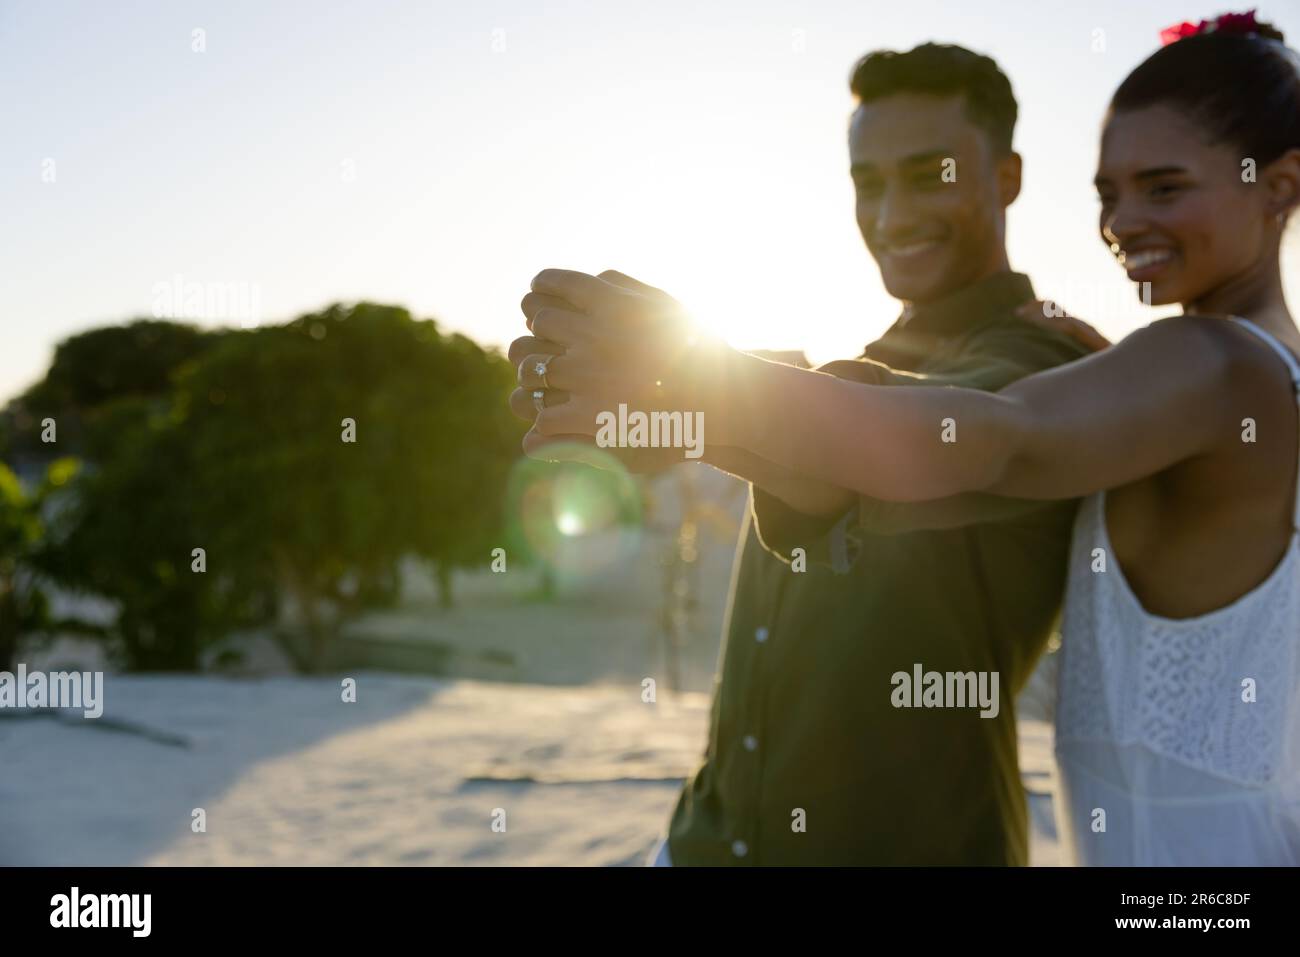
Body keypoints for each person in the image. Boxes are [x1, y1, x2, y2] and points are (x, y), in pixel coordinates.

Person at [517, 12, 1300, 865]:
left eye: (1165, 185)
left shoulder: (1165, 360)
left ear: (1279, 186)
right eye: (1109, 193)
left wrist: (703, 381)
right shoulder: (1153, 377)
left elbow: (976, 441)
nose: (1124, 221)